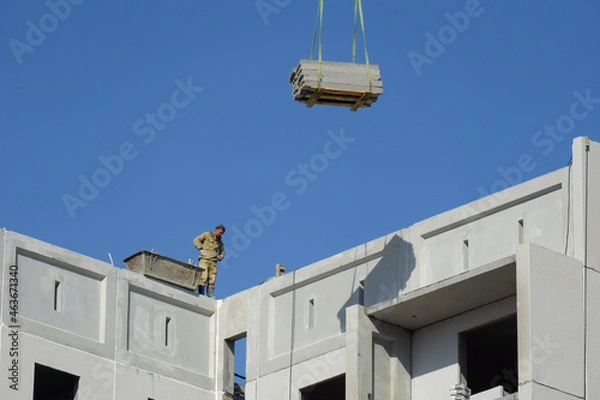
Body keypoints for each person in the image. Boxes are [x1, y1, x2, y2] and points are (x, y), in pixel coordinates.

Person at [193, 224, 226, 298]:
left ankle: (210, 294)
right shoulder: (207, 235)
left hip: (213, 261)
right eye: (220, 232)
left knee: (212, 278)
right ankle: (201, 293)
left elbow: (223, 251)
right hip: (204, 259)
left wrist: (220, 257)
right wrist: (200, 248)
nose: (221, 234)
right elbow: (196, 240)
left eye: (222, 233)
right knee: (203, 276)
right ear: (216, 229)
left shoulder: (219, 242)